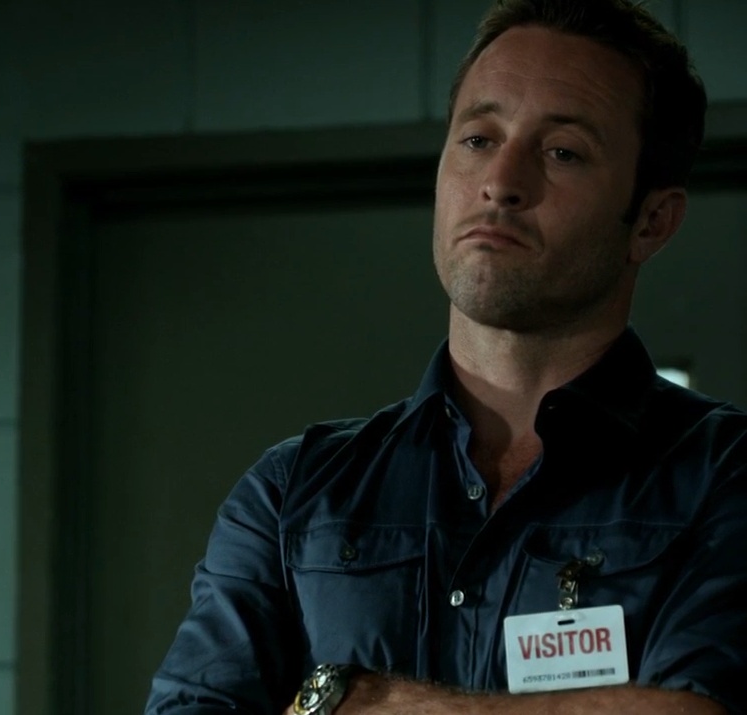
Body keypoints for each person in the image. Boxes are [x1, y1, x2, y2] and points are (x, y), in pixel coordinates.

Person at [145, 0, 745, 713]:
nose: (502, 181)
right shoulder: (292, 496)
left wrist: (381, 706)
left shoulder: (725, 476)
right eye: (478, 138)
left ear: (651, 221)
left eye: (563, 152)